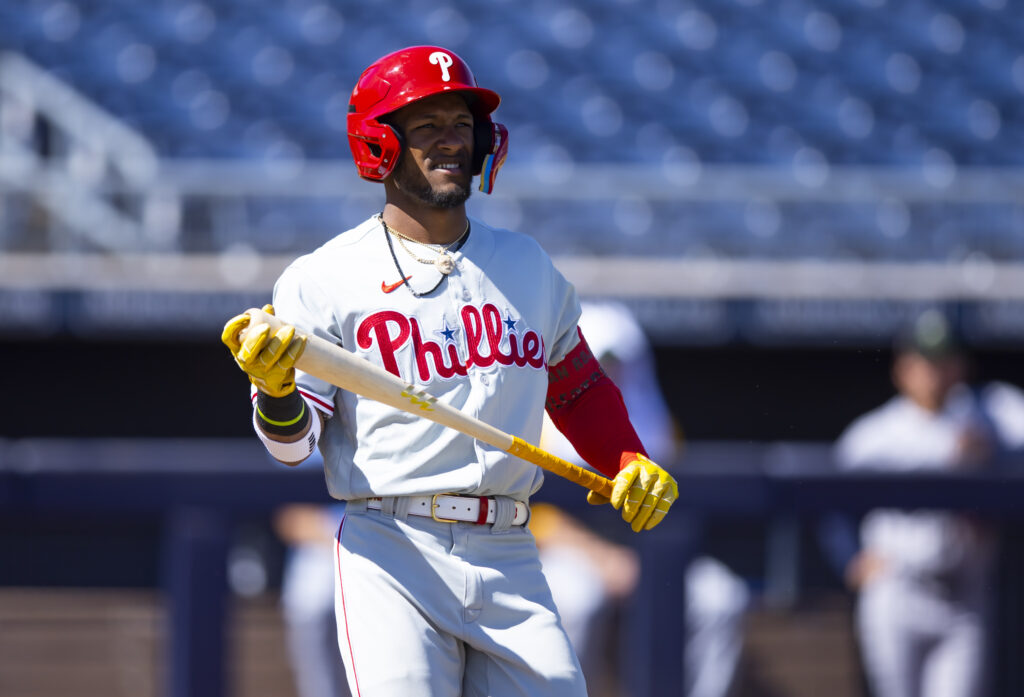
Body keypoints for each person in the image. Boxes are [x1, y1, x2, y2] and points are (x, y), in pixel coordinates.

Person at [220, 45, 678, 697]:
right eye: (427, 126)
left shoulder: (527, 264)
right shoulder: (323, 278)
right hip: (392, 542)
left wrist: (627, 459)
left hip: (510, 545)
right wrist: (275, 387)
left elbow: (577, 385)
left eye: (462, 125)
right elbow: (290, 447)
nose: (451, 142)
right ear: (380, 142)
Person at [535, 301, 748, 697]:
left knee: (721, 599)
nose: (611, 374)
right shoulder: (539, 428)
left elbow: (677, 512)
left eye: (619, 364)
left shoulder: (661, 426)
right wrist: (604, 559)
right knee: (578, 600)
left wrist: (643, 561)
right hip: (566, 555)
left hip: (647, 555)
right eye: (600, 365)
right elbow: (536, 519)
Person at [832, 309, 1024, 697]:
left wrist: (992, 461)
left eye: (945, 359)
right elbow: (829, 502)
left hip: (965, 594)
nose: (935, 372)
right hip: (899, 588)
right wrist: (849, 557)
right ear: (903, 368)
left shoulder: (991, 412)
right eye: (925, 361)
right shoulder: (875, 434)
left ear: (961, 365)